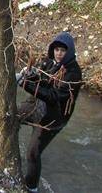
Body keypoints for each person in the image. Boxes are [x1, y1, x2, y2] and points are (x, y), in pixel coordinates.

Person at [16, 32, 82, 193]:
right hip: (37, 105)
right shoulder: (49, 62)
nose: (59, 53)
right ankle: (8, 160)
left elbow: (54, 97)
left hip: (53, 118)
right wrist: (30, 76)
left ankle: (31, 188)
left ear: (69, 52)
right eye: (56, 49)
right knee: (11, 118)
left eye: (63, 50)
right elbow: (42, 81)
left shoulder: (73, 73)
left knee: (32, 154)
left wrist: (24, 84)